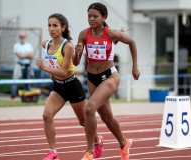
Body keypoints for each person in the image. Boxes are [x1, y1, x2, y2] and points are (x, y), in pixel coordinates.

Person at [73, 2, 140, 160]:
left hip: (109, 77)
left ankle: (89, 151)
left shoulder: (112, 33)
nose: (91, 19)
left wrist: (135, 66)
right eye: (89, 16)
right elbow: (76, 63)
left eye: (95, 16)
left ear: (104, 17)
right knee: (107, 117)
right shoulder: (84, 34)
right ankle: (124, 143)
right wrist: (77, 54)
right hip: (92, 78)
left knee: (89, 109)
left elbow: (132, 42)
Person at [36, 13, 102, 160]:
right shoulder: (46, 44)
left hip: (71, 85)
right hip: (58, 87)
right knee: (47, 116)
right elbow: (51, 61)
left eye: (55, 25)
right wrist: (49, 68)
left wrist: (44, 68)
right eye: (49, 25)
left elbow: (64, 71)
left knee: (83, 121)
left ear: (63, 27)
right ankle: (53, 152)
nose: (51, 29)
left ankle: (97, 141)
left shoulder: (68, 46)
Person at [10, 31, 34, 101]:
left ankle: (28, 97)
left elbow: (31, 55)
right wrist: (27, 56)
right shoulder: (16, 46)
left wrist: (23, 56)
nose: (22, 38)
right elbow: (19, 56)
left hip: (27, 66)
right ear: (19, 37)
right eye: (21, 36)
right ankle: (13, 97)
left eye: (23, 36)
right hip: (19, 65)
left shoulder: (29, 45)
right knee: (15, 81)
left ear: (25, 37)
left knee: (27, 82)